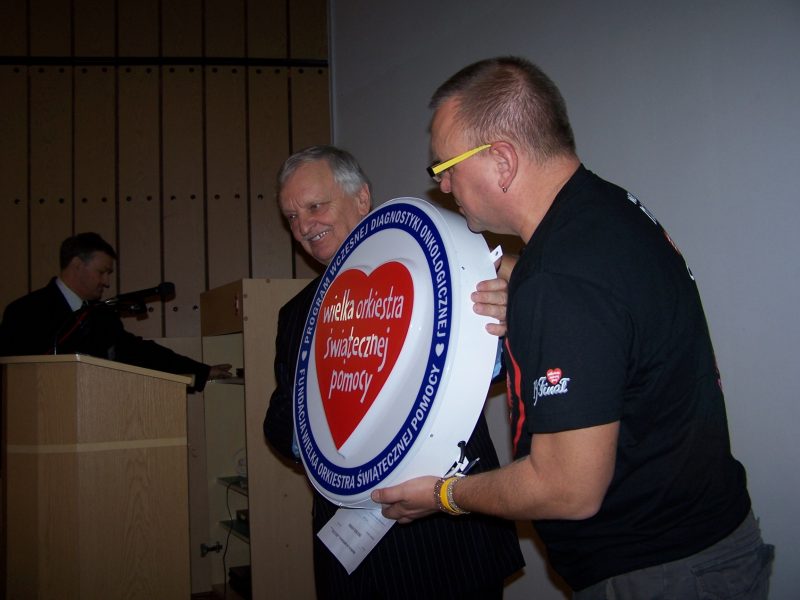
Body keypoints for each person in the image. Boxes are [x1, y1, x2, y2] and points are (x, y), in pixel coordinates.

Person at [372, 57, 775, 599]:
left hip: (662, 571)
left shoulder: (560, 277)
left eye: (445, 166)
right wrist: (526, 290)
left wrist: (444, 495)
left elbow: (567, 490)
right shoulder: (606, 210)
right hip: (702, 546)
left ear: (502, 161)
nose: (442, 185)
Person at [263, 145, 524, 599]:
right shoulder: (296, 314)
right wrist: (320, 436)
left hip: (449, 542)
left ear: (362, 198)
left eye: (315, 206)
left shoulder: (443, 268)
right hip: (352, 552)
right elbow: (278, 418)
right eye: (292, 217)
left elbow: (500, 366)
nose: (303, 226)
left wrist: (504, 323)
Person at [0, 232, 230, 391]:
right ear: (77, 265)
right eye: (102, 272)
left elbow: (137, 352)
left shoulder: (101, 314)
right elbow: (12, 380)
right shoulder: (24, 312)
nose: (107, 282)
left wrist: (201, 371)